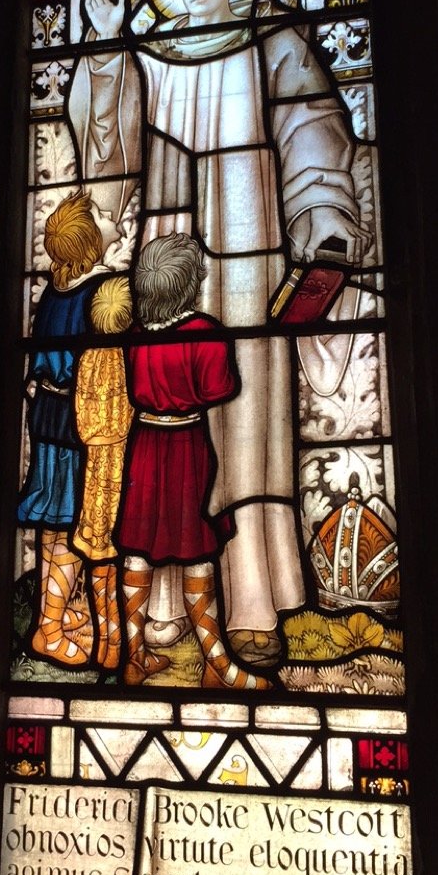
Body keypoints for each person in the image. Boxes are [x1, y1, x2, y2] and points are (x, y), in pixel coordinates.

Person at [69, 0, 369, 665]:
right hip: (167, 250)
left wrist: (323, 221)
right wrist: (106, 50)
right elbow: (110, 150)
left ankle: (252, 600)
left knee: (246, 421)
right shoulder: (155, 54)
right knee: (160, 434)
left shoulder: (277, 42)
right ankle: (164, 603)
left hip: (249, 248)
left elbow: (314, 131)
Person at [115, 232, 268, 690]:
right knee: (197, 547)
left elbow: (136, 390)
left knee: (138, 546)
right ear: (189, 286)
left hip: (143, 445)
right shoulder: (204, 334)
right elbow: (220, 388)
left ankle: (133, 655)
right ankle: (217, 665)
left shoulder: (137, 337)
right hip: (185, 446)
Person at [18, 191, 114, 668]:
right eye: (100, 215)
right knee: (70, 523)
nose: (110, 216)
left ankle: (59, 613)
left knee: (55, 520)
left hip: (47, 416)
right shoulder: (101, 293)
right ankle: (47, 630)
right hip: (79, 419)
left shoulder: (53, 293)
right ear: (89, 240)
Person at [72, 275, 134, 672]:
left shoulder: (90, 358)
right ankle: (118, 639)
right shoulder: (126, 358)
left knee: (99, 558)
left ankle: (104, 641)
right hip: (121, 469)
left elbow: (83, 420)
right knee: (121, 557)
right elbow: (129, 415)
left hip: (95, 476)